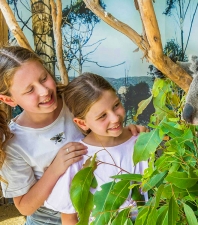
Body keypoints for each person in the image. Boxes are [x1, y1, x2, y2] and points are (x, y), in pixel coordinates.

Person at [0, 46, 146, 225]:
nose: (44, 91)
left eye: (44, 78)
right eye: (30, 90)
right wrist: (55, 170)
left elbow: (108, 129)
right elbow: (24, 207)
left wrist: (128, 134)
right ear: (9, 100)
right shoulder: (14, 142)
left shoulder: (75, 103)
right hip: (49, 219)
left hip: (98, 211)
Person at [44, 72, 148, 224]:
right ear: (82, 123)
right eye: (102, 116)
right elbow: (69, 217)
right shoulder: (78, 158)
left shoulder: (140, 142)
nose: (114, 118)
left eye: (116, 105)